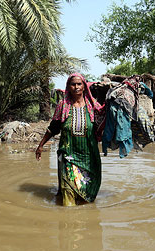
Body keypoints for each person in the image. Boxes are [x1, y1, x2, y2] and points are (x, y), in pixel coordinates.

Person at [35, 73, 104, 206]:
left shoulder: (93, 106)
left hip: (89, 157)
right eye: (73, 84)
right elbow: (53, 128)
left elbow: (103, 125)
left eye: (79, 84)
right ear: (68, 87)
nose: (76, 87)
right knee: (68, 191)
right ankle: (67, 220)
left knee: (86, 194)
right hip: (68, 155)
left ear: (84, 86)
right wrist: (41, 145)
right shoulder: (63, 106)